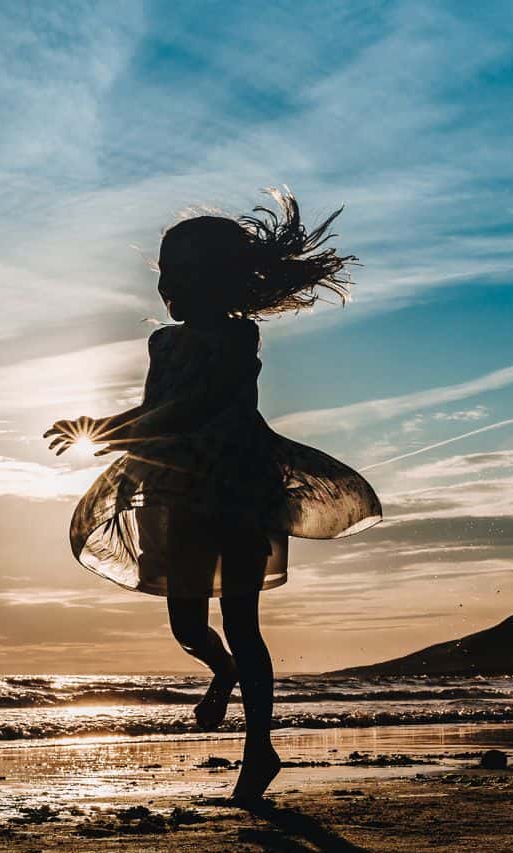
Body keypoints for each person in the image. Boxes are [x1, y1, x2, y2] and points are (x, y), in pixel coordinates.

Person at [44, 190, 381, 803]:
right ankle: (220, 670)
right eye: (163, 273)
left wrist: (107, 429)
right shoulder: (162, 344)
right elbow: (156, 409)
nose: (165, 286)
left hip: (239, 490)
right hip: (176, 492)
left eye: (179, 273)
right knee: (187, 625)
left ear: (215, 280)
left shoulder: (237, 341)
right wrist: (117, 441)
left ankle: (260, 750)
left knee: (243, 622)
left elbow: (193, 407)